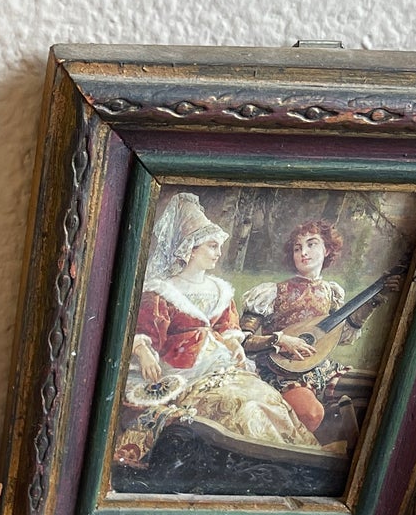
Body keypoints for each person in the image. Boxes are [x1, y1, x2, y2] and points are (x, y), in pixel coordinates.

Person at [117, 192, 316, 472]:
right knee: (243, 406)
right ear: (190, 249)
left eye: (218, 246)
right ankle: (266, 465)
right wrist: (142, 351)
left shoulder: (220, 290)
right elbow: (143, 333)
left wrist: (235, 344)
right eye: (211, 246)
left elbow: (229, 329)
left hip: (223, 368)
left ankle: (298, 460)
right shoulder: (160, 292)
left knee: (266, 397)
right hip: (184, 374)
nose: (218, 252)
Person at [239, 219, 394, 439]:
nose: (303, 252)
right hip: (281, 372)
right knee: (311, 413)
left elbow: (343, 335)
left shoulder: (332, 293)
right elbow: (243, 339)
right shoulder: (271, 292)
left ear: (328, 249)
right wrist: (280, 340)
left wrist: (373, 301)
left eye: (311, 244)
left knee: (375, 389)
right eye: (297, 248)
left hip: (321, 368)